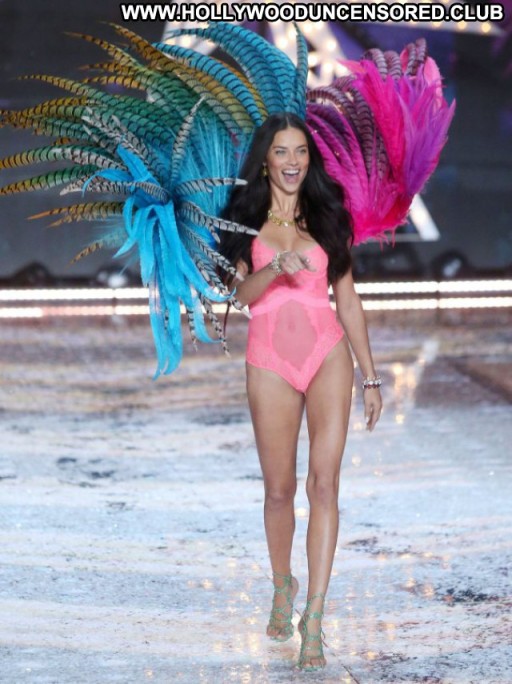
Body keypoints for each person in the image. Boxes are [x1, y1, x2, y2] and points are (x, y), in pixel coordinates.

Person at [221, 112, 383, 671]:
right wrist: (276, 268)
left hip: (327, 356)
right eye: (282, 152)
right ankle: (281, 585)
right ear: (265, 161)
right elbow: (240, 296)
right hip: (269, 362)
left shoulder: (328, 216)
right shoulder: (243, 220)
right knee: (278, 491)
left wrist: (369, 376)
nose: (293, 162)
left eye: (301, 152)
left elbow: (348, 300)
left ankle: (314, 614)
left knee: (325, 485)